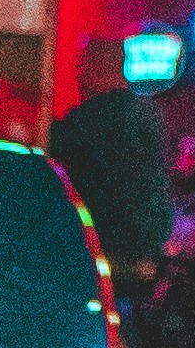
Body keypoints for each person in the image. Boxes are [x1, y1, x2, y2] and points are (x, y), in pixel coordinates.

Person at [44, 41, 177, 303]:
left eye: (81, 69)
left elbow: (45, 148)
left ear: (96, 71)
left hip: (108, 256)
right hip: (149, 255)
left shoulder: (91, 119)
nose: (78, 77)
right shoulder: (151, 114)